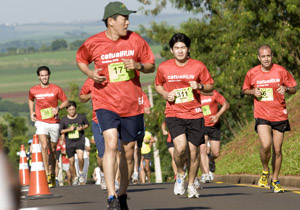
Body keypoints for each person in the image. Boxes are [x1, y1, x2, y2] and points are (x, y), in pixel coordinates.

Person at [76, 1, 155, 208]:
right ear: (111, 21)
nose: (128, 22)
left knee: (128, 152)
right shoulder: (94, 42)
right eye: (124, 18)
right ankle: (111, 197)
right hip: (105, 102)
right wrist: (90, 73)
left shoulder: (136, 40)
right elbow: (81, 60)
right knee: (111, 144)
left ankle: (122, 194)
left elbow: (150, 65)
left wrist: (138, 65)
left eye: (128, 18)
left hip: (131, 104)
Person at [155, 33, 214, 198]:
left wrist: (200, 86)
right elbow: (158, 85)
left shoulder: (198, 66)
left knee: (193, 152)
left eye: (183, 47)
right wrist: (165, 95)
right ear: (172, 50)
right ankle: (180, 174)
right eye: (176, 48)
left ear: (188, 49)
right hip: (174, 113)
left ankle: (191, 184)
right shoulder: (164, 67)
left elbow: (210, 86)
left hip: (195, 114)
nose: (180, 51)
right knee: (180, 148)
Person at [242, 44, 297, 193]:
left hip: (279, 114)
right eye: (263, 56)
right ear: (259, 58)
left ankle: (275, 180)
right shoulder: (252, 73)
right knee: (266, 145)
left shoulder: (281, 71)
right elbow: (245, 89)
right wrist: (253, 92)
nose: (266, 59)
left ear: (272, 56)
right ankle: (265, 170)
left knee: (277, 150)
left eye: (269, 56)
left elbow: (293, 88)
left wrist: (286, 89)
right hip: (262, 115)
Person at [28, 65, 68, 188]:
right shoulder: (33, 90)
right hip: (41, 121)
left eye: (46, 75)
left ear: (49, 75)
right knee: (44, 146)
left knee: (53, 149)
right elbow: (30, 99)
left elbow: (65, 101)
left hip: (54, 122)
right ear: (38, 77)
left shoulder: (56, 89)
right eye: (42, 75)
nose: (44, 77)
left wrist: (58, 108)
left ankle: (52, 173)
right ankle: (46, 174)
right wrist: (31, 112)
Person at [79, 78, 107, 189]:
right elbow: (82, 97)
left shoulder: (114, 76)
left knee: (116, 150)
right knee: (102, 154)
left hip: (114, 118)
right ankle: (104, 174)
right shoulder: (92, 79)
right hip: (97, 120)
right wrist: (92, 95)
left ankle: (115, 179)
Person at [199, 90, 229, 183]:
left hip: (214, 125)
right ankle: (206, 174)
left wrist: (217, 115)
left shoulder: (213, 93)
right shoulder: (195, 95)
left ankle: (210, 161)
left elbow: (226, 105)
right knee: (202, 150)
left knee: (216, 153)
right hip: (201, 125)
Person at [59, 101, 89, 186]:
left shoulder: (81, 117)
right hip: (69, 142)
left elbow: (87, 124)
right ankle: (75, 176)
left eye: (73, 109)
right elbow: (61, 131)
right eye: (70, 110)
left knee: (80, 158)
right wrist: (69, 129)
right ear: (66, 110)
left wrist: (82, 128)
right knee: (71, 162)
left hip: (79, 140)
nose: (71, 111)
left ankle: (81, 173)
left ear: (75, 109)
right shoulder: (64, 120)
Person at [132, 91, 151, 184]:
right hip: (129, 123)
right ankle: (135, 172)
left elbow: (148, 110)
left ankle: (136, 168)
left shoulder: (142, 94)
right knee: (134, 148)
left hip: (139, 124)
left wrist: (139, 108)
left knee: (138, 148)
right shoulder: (126, 93)